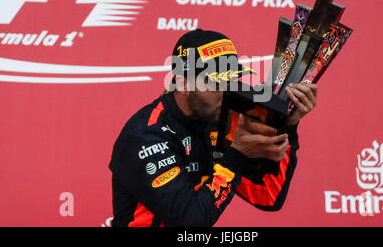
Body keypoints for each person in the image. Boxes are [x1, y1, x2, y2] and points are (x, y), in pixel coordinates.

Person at [108, 29, 318, 227]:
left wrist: (287, 125)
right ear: (183, 84)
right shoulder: (146, 136)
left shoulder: (218, 120)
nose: (226, 92)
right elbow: (190, 222)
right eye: (217, 83)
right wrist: (236, 155)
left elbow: (268, 196)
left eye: (231, 81)